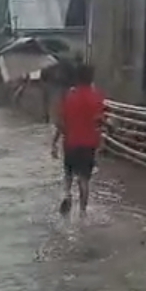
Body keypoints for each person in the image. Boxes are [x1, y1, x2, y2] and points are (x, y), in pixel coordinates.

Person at [51, 63, 105, 216]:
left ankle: (67, 194)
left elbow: (61, 123)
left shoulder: (70, 96)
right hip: (88, 144)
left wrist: (54, 143)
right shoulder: (96, 97)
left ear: (77, 78)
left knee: (68, 174)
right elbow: (98, 121)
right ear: (91, 78)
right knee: (84, 179)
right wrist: (106, 133)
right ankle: (82, 212)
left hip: (70, 143)